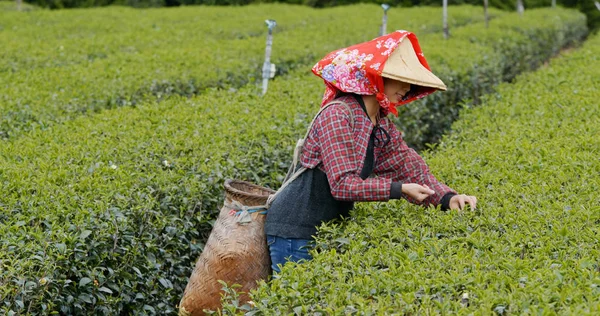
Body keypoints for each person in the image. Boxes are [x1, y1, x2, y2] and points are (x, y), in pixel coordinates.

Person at [264, 31, 477, 273]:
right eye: (400, 79)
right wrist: (398, 190)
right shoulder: (338, 115)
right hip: (295, 231)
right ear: (377, 78)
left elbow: (408, 168)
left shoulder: (379, 122)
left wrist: (448, 198)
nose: (407, 89)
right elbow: (343, 184)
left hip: (327, 228)